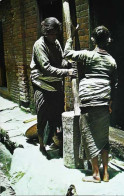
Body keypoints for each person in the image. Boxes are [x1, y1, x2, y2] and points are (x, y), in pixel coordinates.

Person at [64, 25, 118, 182]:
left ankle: (95, 174)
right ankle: (106, 173)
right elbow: (114, 84)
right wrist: (110, 103)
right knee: (103, 137)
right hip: (103, 102)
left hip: (89, 101)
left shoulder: (88, 56)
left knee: (89, 136)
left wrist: (71, 36)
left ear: (93, 40)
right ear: (108, 41)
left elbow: (66, 54)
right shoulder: (112, 61)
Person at [30, 17, 77, 156]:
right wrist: (67, 72)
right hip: (42, 83)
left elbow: (61, 59)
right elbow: (46, 68)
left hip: (56, 83)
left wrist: (68, 64)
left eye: (56, 34)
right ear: (45, 33)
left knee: (57, 114)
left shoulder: (56, 43)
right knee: (42, 115)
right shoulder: (39, 45)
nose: (54, 37)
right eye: (51, 34)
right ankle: (42, 145)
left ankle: (58, 141)